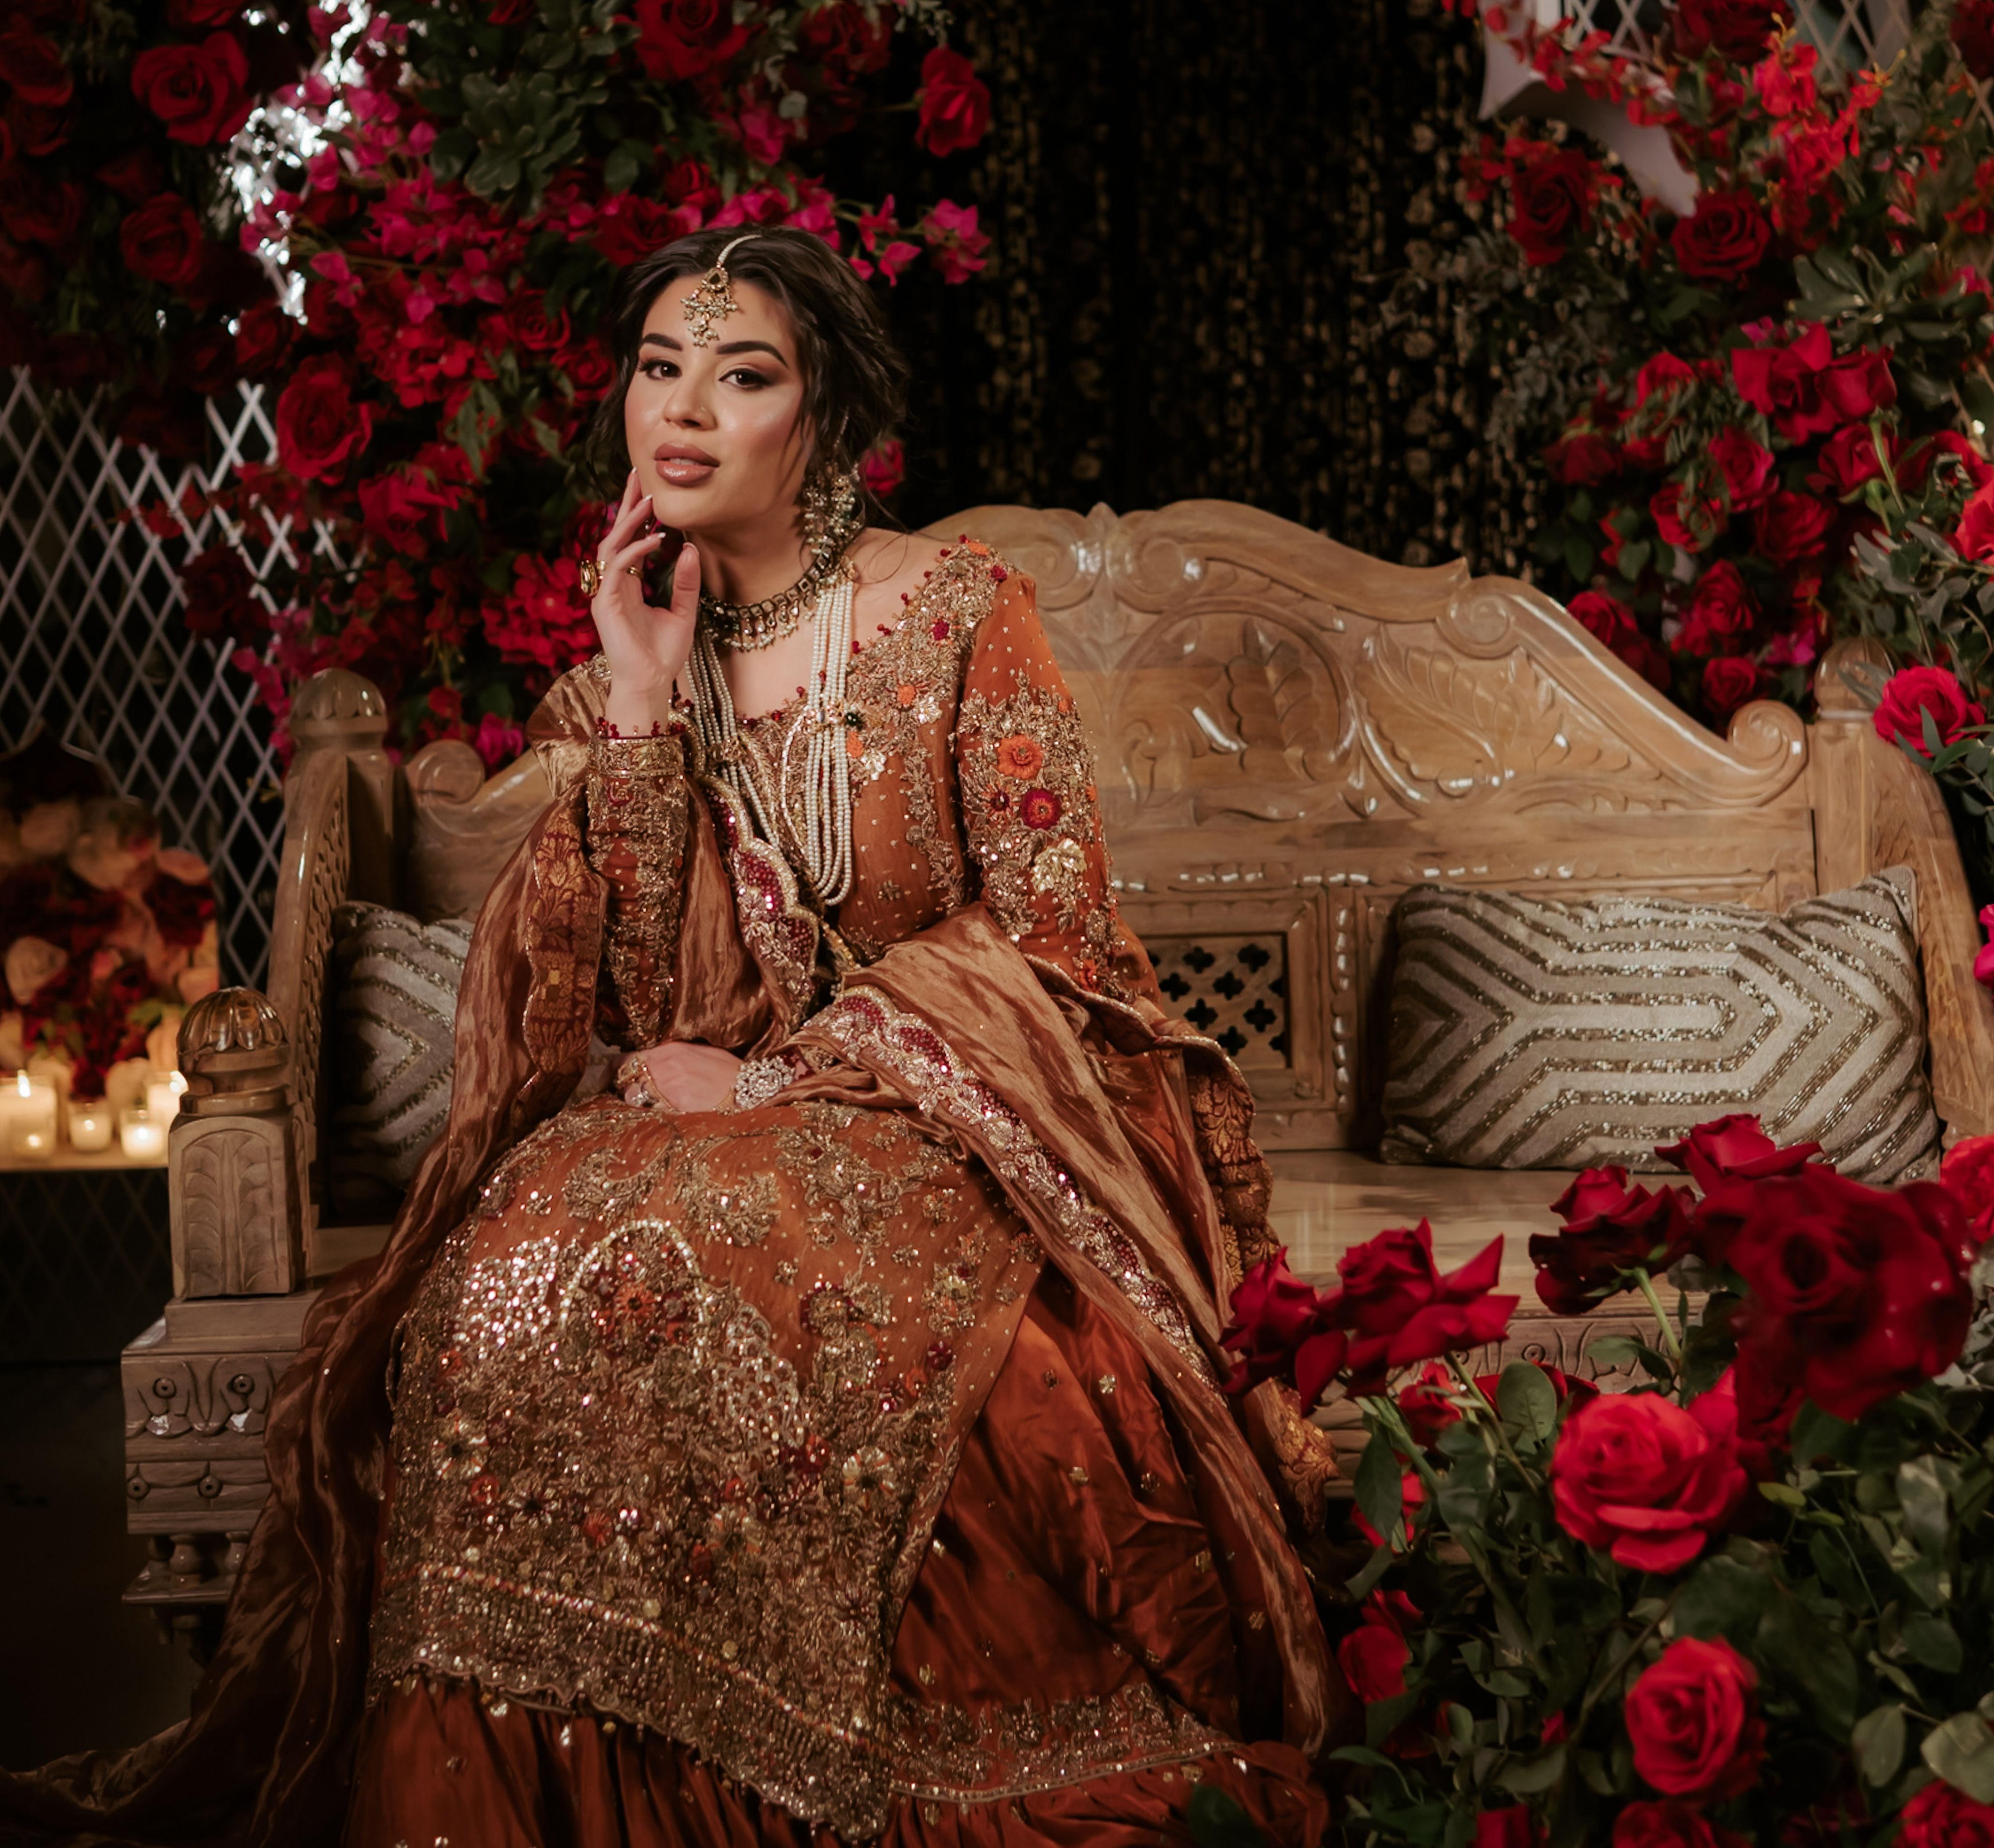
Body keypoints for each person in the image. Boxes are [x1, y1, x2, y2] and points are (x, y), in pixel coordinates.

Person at [1, 227, 1347, 1848]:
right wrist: (641, 701)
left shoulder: (955, 612)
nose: (683, 410)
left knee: (780, 1274)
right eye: (658, 368)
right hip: (703, 1117)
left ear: (825, 417)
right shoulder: (621, 676)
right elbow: (645, 1011)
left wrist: (792, 1073)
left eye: (742, 373)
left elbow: (1052, 943)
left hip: (958, 1117)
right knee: (517, 1272)